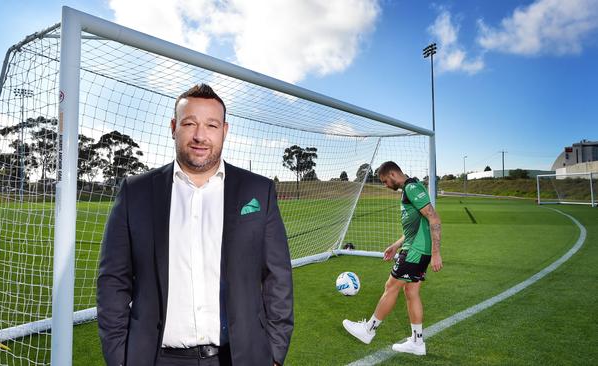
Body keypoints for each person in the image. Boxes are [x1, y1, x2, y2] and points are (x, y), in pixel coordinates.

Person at [97, 84, 294, 366]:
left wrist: (274, 352)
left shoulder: (258, 190)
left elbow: (278, 277)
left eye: (211, 125)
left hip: (238, 358)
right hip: (156, 358)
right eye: (190, 123)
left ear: (224, 130)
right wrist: (120, 357)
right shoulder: (136, 192)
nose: (201, 136)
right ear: (174, 127)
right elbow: (113, 280)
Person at [342, 161, 442, 356]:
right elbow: (415, 226)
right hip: (416, 249)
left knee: (391, 287)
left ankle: (368, 330)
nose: (385, 185)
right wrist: (396, 244)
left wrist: (437, 253)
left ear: (393, 174)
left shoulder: (412, 188)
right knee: (411, 292)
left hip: (415, 251)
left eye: (385, 181)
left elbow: (434, 218)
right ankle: (417, 342)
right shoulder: (409, 189)